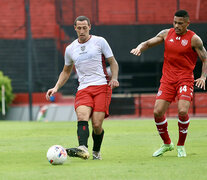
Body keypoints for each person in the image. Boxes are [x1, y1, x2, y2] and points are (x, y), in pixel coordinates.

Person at [130, 10, 207, 157]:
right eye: (175, 22)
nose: (177, 26)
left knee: (183, 111)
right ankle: (167, 144)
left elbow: (205, 58)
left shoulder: (194, 39)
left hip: (185, 79)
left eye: (180, 23)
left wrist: (203, 76)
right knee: (157, 112)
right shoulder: (166, 33)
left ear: (187, 23)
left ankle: (181, 146)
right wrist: (139, 47)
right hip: (167, 80)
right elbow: (148, 43)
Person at [46, 16, 119, 160]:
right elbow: (66, 71)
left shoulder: (100, 41)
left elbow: (113, 62)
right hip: (84, 88)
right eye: (79, 28)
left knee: (97, 125)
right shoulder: (70, 49)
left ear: (90, 27)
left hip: (102, 86)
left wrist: (114, 78)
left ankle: (96, 152)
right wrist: (56, 87)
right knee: (82, 116)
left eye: (84, 27)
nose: (82, 31)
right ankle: (83, 148)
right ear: (75, 28)